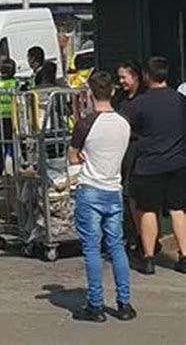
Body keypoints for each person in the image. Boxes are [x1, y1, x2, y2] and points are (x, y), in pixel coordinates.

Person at [69, 71, 136, 323]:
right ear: (113, 91)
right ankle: (124, 302)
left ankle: (95, 305)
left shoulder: (85, 123)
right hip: (113, 188)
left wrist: (85, 156)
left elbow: (73, 156)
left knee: (91, 248)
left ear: (89, 93)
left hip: (90, 188)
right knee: (116, 246)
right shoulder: (123, 122)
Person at [129, 57, 186, 275]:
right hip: (178, 163)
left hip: (149, 164)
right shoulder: (180, 100)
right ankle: (183, 255)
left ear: (146, 76)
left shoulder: (139, 103)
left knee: (148, 209)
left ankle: (150, 257)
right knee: (178, 209)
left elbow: (129, 129)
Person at [114, 60, 145, 252]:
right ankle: (135, 235)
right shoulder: (120, 99)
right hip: (125, 153)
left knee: (137, 197)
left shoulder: (143, 99)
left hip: (139, 152)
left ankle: (144, 238)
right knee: (128, 196)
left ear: (135, 76)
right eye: (119, 77)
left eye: (124, 77)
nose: (121, 81)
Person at [0, 58, 19, 176]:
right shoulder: (16, 84)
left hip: (0, 119)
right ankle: (17, 169)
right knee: (15, 145)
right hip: (14, 120)